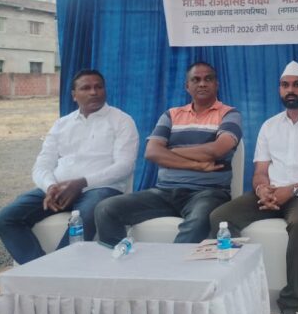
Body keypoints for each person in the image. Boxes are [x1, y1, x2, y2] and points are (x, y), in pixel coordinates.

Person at [209, 61, 298, 314]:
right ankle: (240, 290)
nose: (290, 90)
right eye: (285, 85)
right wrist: (262, 189)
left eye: (297, 85)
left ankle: (292, 305)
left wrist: (291, 191)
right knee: (220, 217)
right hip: (271, 193)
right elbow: (260, 171)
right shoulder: (269, 126)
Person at [0, 69, 139, 264]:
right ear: (74, 95)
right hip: (58, 189)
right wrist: (50, 186)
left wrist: (81, 183)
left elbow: (124, 166)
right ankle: (40, 269)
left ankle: (59, 269)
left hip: (101, 189)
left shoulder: (122, 121)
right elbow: (42, 165)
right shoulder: (61, 124)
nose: (93, 92)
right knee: (6, 218)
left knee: (88, 215)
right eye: (86, 88)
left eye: (98, 87)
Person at [95, 62, 242, 245]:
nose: (202, 84)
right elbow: (152, 152)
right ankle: (120, 260)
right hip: (163, 192)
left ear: (217, 84)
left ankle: (171, 264)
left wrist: (173, 151)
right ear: (187, 86)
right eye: (196, 80)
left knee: (199, 221)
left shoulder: (229, 114)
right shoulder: (171, 115)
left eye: (208, 79)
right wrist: (196, 164)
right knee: (106, 208)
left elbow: (217, 150)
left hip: (208, 193)